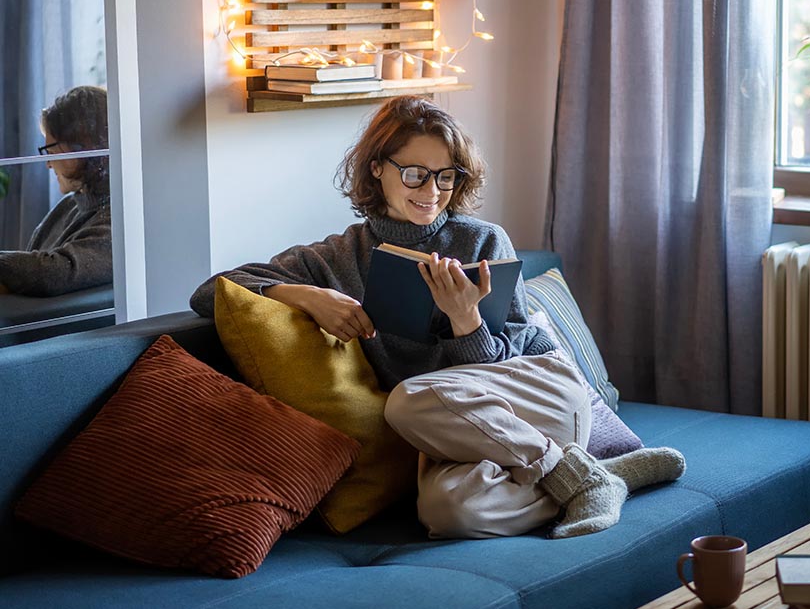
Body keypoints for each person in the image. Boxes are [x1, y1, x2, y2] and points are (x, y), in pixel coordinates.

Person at [190, 96, 685, 539]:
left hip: (540, 398)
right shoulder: (337, 258)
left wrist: (467, 322)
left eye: (446, 176)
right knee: (448, 513)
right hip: (459, 433)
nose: (432, 190)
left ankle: (578, 474)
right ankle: (600, 479)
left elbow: (518, 352)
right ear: (378, 168)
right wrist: (303, 295)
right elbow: (212, 292)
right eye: (415, 174)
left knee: (406, 400)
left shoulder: (483, 241)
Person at [0, 85, 112, 296]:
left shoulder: (118, 217)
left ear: (83, 149)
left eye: (51, 152)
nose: (49, 164)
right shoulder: (70, 205)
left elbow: (55, 272)